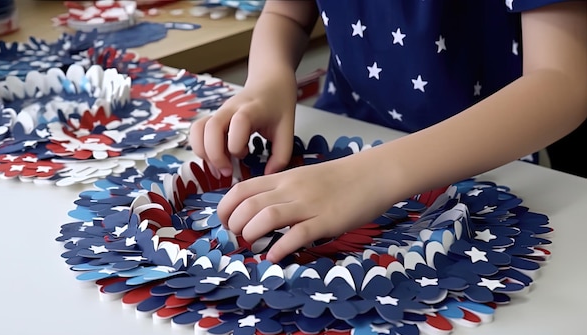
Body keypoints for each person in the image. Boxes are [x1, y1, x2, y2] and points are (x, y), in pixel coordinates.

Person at [189, 0, 587, 263]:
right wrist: (267, 81)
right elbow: (286, 14)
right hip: (340, 141)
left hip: (490, 166)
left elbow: (563, 82)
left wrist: (370, 176)